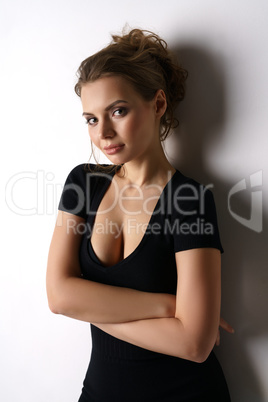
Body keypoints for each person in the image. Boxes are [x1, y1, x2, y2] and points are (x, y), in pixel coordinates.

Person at [46, 28, 233, 401]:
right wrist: (169, 307)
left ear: (158, 104)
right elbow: (58, 297)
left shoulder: (190, 199)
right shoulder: (82, 183)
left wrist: (83, 305)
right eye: (91, 119)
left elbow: (195, 344)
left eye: (118, 111)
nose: (104, 134)